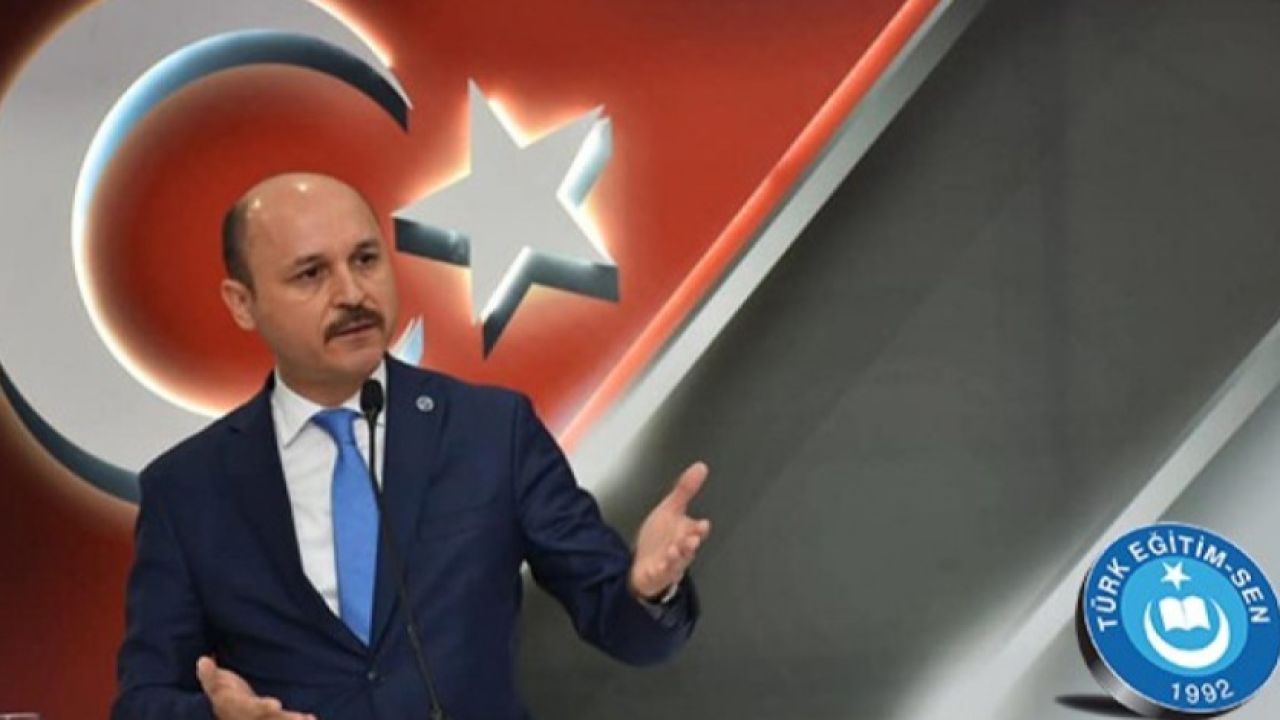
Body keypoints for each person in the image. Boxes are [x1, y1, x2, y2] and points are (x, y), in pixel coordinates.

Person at [112, 172, 711, 720]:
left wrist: (647, 588)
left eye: (365, 259)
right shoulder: (187, 488)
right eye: (311, 274)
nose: (352, 293)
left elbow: (623, 626)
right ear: (242, 303)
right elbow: (144, 698)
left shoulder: (489, 430)